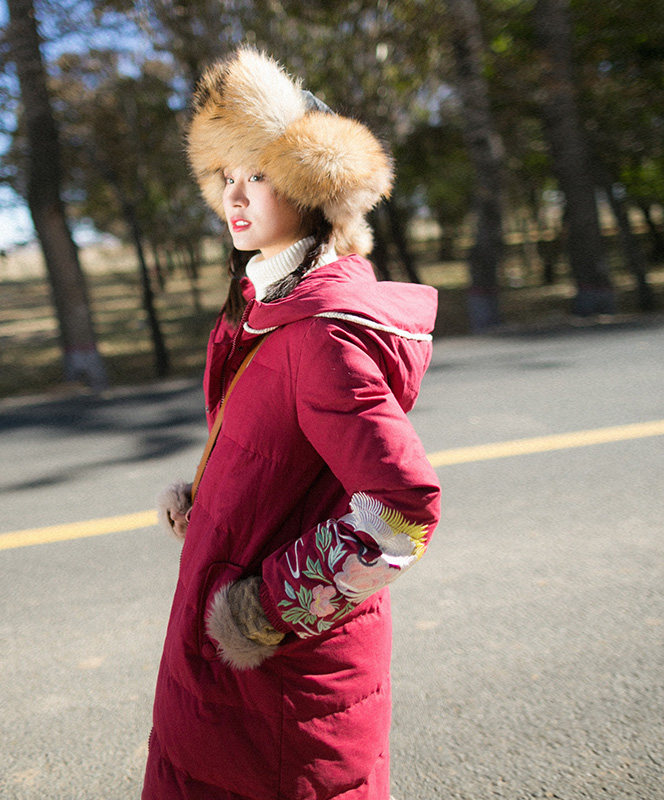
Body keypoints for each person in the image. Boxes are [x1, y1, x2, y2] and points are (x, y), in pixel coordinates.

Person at [143, 47, 441, 800]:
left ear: (312, 189)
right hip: (225, 680)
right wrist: (217, 503)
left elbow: (402, 514)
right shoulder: (263, 311)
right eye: (226, 176)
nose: (236, 196)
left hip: (280, 688)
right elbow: (287, 465)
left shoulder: (320, 334)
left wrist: (267, 609)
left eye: (259, 174)